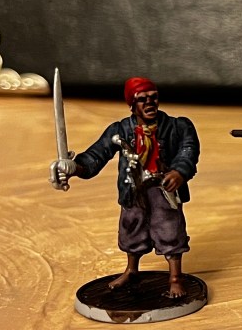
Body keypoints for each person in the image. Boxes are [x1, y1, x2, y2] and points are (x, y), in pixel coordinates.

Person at [50, 78, 200, 298]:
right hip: (134, 190)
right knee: (131, 229)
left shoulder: (178, 126)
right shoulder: (119, 130)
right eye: (142, 99)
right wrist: (74, 167)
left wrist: (178, 172)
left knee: (170, 229)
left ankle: (175, 278)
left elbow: (189, 150)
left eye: (153, 97)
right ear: (132, 104)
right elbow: (96, 156)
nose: (149, 103)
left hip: (163, 189)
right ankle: (131, 270)